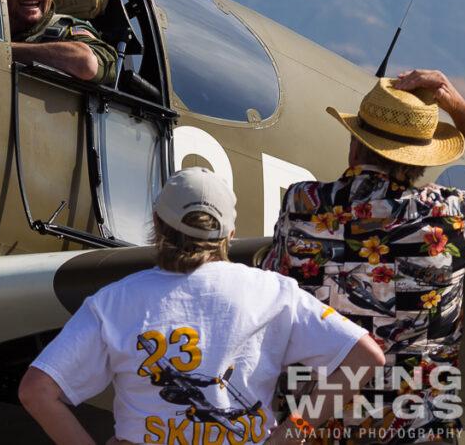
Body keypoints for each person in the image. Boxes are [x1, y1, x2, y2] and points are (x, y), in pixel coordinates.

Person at [19, 167, 385, 445]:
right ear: (230, 232)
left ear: (157, 223)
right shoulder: (275, 292)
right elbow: (367, 356)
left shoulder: (112, 301)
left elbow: (35, 392)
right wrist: (291, 434)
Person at [263, 70, 465, 443]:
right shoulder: (447, 218)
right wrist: (459, 107)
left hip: (314, 435)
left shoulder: (300, 205)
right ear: (420, 160)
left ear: (355, 145)